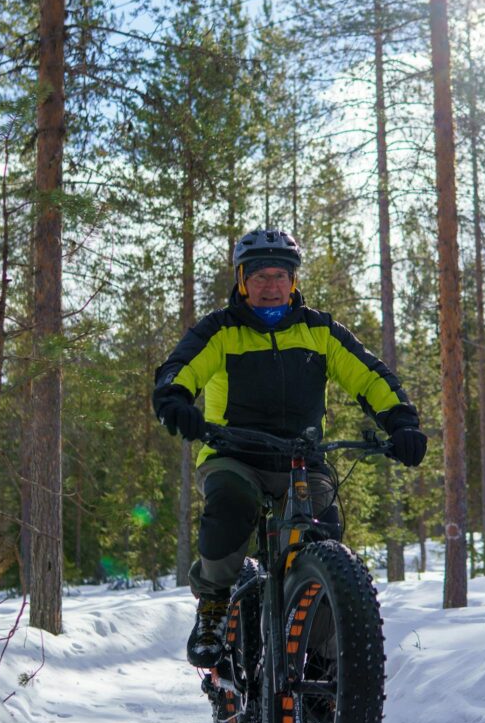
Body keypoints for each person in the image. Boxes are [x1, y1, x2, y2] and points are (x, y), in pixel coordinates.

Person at [153, 228, 427, 668]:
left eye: (281, 275)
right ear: (242, 280)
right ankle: (214, 605)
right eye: (260, 276)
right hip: (234, 453)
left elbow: (370, 377)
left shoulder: (320, 331)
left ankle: (320, 662)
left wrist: (403, 423)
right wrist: (174, 402)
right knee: (231, 502)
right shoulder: (221, 331)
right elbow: (179, 370)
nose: (271, 285)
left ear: (294, 281)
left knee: (321, 536)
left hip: (301, 460)